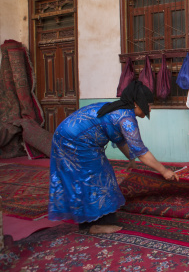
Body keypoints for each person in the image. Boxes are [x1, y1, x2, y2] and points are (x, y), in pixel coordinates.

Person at [48, 81, 179, 234]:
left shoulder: (121, 110)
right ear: (136, 103)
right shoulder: (126, 118)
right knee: (97, 178)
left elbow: (120, 138)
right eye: (148, 104)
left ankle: (88, 220)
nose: (149, 109)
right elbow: (141, 151)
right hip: (74, 142)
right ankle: (95, 225)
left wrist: (130, 158)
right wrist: (164, 171)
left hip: (67, 136)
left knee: (90, 176)